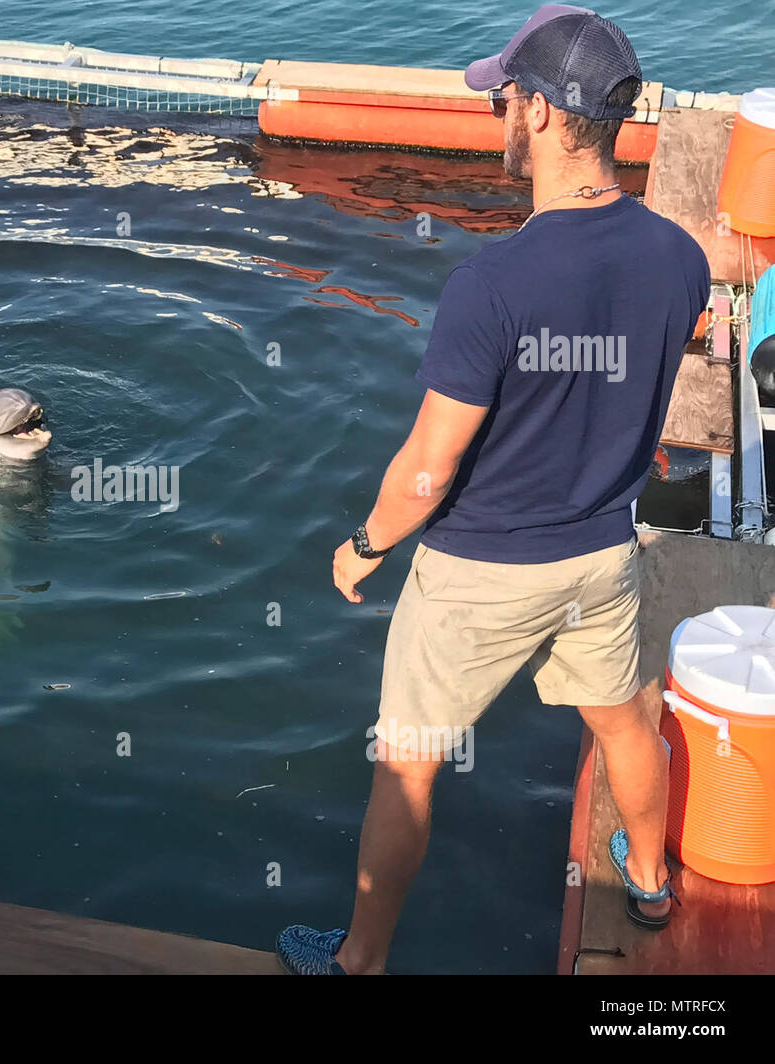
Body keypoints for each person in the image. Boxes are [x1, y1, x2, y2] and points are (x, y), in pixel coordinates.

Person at [277, 4, 710, 974]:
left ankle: (359, 960)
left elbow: (428, 467)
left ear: (543, 114)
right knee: (622, 720)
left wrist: (367, 543)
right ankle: (649, 878)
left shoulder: (492, 284)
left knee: (407, 765)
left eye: (505, 98)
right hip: (602, 554)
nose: (499, 115)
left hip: (479, 570)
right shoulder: (679, 258)